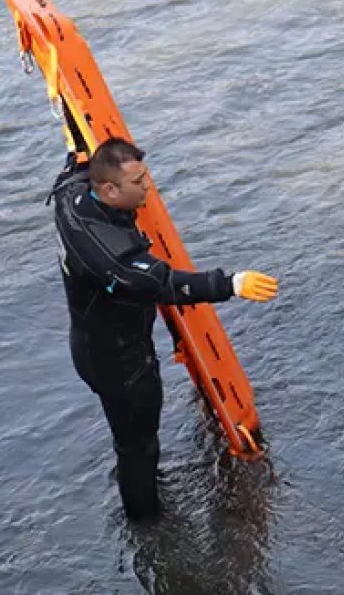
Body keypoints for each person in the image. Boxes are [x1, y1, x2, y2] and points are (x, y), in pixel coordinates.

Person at [51, 138, 279, 520]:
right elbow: (165, 284)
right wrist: (231, 284)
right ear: (108, 189)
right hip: (118, 362)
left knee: (132, 439)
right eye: (138, 182)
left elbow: (73, 170)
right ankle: (146, 524)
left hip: (94, 340)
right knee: (138, 446)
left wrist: (77, 145)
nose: (148, 188)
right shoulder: (111, 256)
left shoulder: (71, 195)